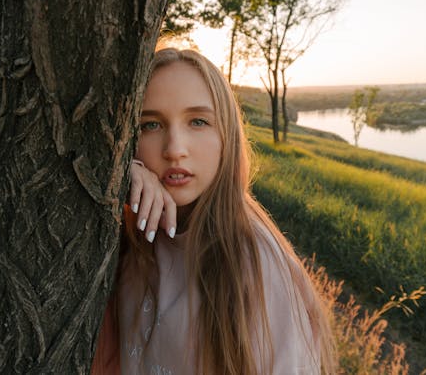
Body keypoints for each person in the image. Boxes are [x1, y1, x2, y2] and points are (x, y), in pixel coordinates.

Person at [91, 47, 335, 375]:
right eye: (151, 125)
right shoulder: (129, 233)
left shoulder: (256, 263)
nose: (175, 149)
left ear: (226, 137)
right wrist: (119, 171)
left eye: (198, 121)